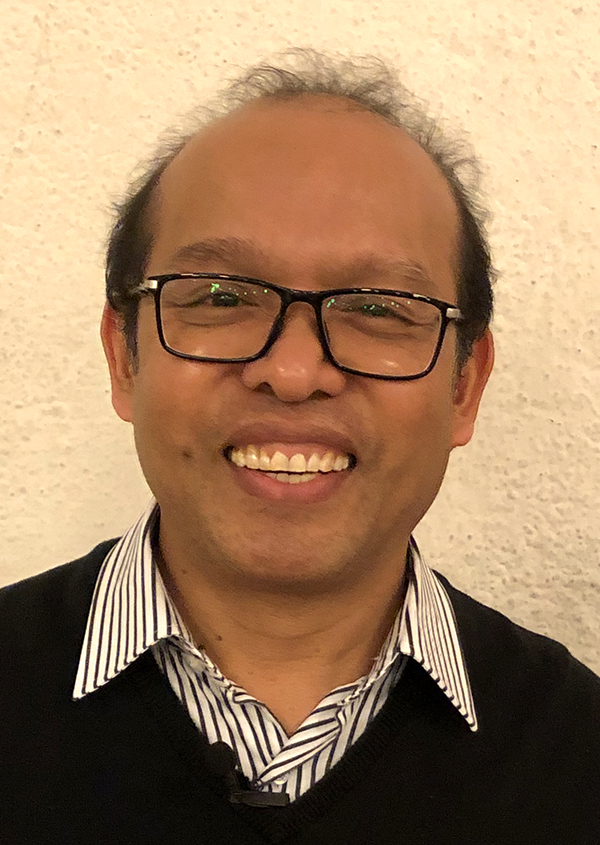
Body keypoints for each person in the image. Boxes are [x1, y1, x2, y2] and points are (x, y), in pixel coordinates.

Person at [1, 50, 599, 845]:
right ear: (124, 360)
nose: (292, 372)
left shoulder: (579, 756)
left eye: (379, 308)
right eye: (221, 296)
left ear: (465, 385)